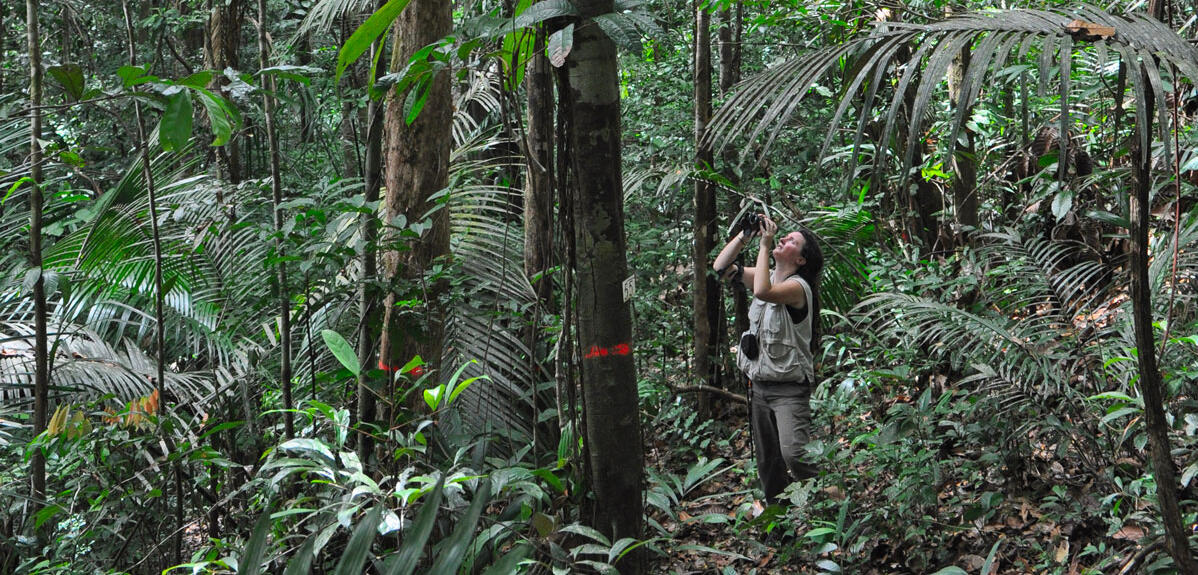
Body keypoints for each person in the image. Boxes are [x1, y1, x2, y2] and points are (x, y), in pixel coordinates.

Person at [713, 213, 823, 506]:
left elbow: (763, 291)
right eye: (785, 237)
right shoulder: (770, 277)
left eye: (791, 241)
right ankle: (782, 527)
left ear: (800, 260)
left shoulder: (798, 287)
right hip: (759, 387)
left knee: (796, 456)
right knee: (769, 463)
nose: (784, 238)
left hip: (788, 390)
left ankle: (835, 508)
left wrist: (764, 245)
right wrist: (744, 235)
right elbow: (720, 268)